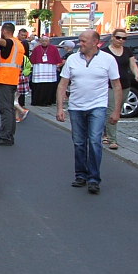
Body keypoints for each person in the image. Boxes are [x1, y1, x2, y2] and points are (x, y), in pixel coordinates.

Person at [56, 30, 121, 194]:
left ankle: (93, 178)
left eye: (84, 41)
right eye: (79, 41)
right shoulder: (72, 59)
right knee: (78, 142)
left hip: (97, 106)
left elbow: (117, 86)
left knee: (94, 141)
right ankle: (81, 174)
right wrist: (59, 108)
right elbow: (63, 84)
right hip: (76, 107)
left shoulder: (107, 60)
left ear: (95, 42)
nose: (80, 44)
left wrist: (116, 111)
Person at [101, 30, 138, 151]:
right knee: (112, 110)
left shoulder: (127, 50)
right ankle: (112, 139)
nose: (121, 40)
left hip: (124, 84)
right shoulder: (105, 52)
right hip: (110, 85)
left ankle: (105, 133)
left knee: (117, 109)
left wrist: (136, 75)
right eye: (118, 37)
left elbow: (133, 65)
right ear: (112, 37)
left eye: (124, 38)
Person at [29, 34, 63, 106]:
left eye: (46, 41)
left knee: (49, 85)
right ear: (41, 41)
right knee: (39, 86)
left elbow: (57, 59)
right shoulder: (37, 49)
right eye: (43, 41)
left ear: (49, 41)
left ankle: (48, 101)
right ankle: (37, 101)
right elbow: (32, 59)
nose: (44, 42)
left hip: (50, 68)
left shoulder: (53, 48)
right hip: (39, 68)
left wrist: (58, 65)